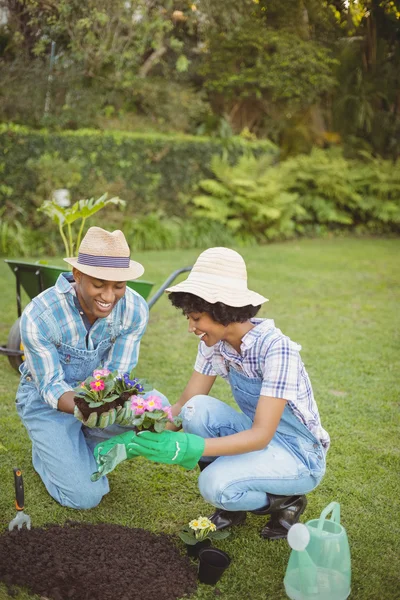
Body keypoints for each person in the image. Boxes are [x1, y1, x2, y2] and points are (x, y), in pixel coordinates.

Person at [94, 247, 329, 540]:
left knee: (213, 485)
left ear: (222, 310)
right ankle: (236, 500)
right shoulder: (214, 344)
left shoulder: (275, 349)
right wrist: (135, 439)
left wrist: (190, 447)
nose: (192, 327)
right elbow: (184, 404)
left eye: (196, 318)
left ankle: (286, 498)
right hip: (262, 438)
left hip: (298, 453)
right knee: (196, 408)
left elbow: (261, 435)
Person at [16, 226, 166, 509]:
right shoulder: (41, 315)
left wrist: (107, 406)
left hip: (99, 397)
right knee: (85, 497)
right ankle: (49, 450)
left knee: (158, 408)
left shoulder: (134, 308)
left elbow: (116, 374)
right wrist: (90, 409)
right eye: (99, 284)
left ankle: (77, 444)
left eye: (118, 286)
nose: (109, 297)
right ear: (78, 275)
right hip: (48, 404)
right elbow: (49, 386)